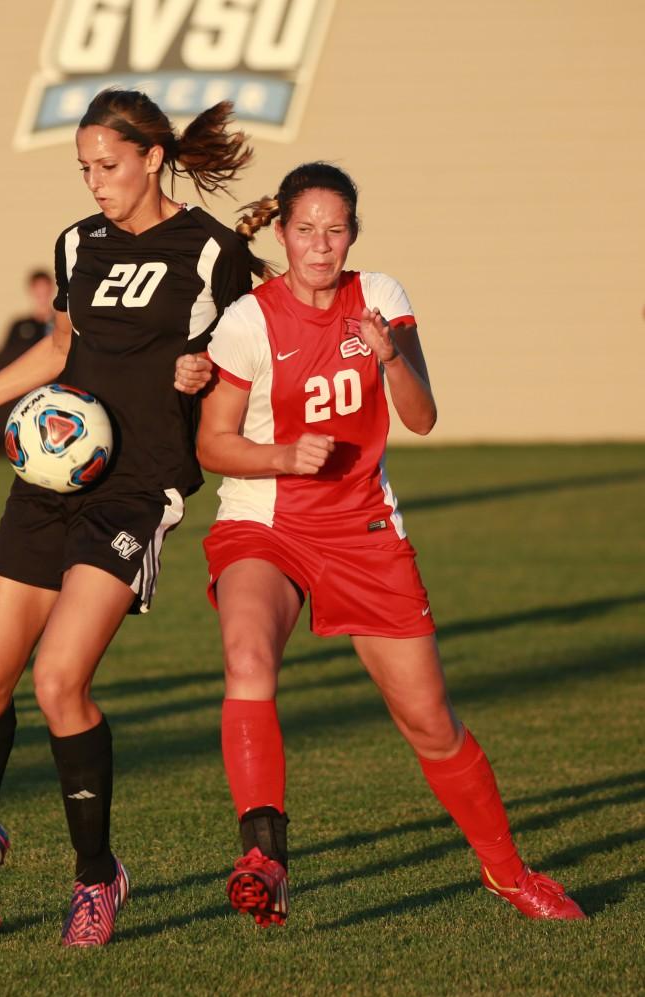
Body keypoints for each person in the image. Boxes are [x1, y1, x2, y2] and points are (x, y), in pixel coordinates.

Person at [185, 161, 586, 926]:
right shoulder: (246, 320)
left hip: (362, 529)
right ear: (282, 233)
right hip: (263, 521)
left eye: (334, 231)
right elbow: (214, 443)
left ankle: (505, 873)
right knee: (247, 658)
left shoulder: (380, 298)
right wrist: (280, 456)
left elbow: (423, 417)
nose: (319, 245)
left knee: (429, 721)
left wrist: (387, 356)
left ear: (352, 236)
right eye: (305, 230)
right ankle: (263, 855)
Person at [0, 89, 259, 947]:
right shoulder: (78, 242)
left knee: (58, 682)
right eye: (84, 169)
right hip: (47, 476)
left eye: (107, 166)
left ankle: (97, 881)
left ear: (149, 157)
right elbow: (58, 348)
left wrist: (202, 376)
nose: (95, 182)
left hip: (138, 489)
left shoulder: (215, 254)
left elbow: (248, 365)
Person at [2, 269, 55, 351]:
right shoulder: (19, 326)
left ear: (51, 289)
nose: (42, 293)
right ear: (31, 290)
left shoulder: (60, 325)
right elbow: (7, 356)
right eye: (38, 289)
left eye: (44, 289)